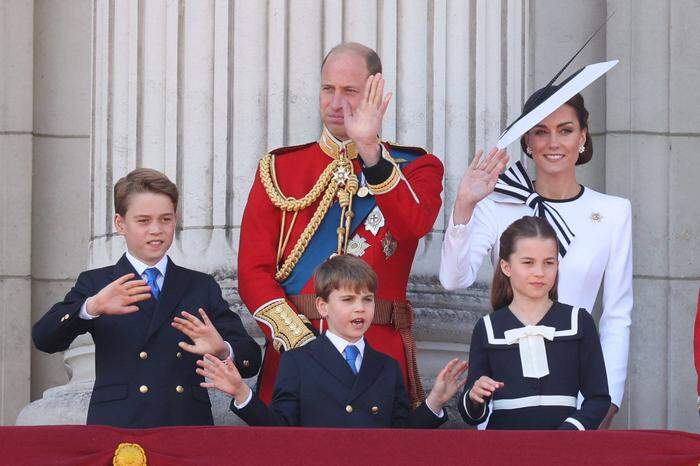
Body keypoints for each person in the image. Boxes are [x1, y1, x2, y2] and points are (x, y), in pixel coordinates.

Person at [238, 42, 444, 406]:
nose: (336, 103)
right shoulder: (278, 169)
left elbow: (413, 225)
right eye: (327, 89)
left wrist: (371, 153)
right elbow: (253, 271)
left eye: (350, 91)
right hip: (294, 356)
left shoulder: (416, 169)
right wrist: (302, 345)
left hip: (377, 356)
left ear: (375, 94)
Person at [440, 90, 632, 428]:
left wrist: (608, 402)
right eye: (541, 131)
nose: (553, 142)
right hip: (506, 390)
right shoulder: (496, 203)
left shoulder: (614, 212)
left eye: (566, 129)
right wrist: (464, 205)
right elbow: (454, 279)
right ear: (527, 140)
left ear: (583, 136)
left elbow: (616, 315)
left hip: (576, 395)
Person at [32, 168, 261, 428]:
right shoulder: (97, 283)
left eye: (165, 219)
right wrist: (91, 306)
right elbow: (44, 338)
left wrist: (222, 349)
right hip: (119, 423)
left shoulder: (200, 285)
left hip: (184, 423)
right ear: (121, 224)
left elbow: (251, 359)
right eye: (143, 221)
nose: (156, 230)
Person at [199, 255, 466, 428]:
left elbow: (402, 438)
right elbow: (280, 430)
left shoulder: (387, 366)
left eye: (367, 300)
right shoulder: (298, 361)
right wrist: (242, 393)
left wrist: (434, 402)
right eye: (348, 300)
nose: (360, 309)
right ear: (323, 306)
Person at [459, 216, 610, 429]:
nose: (539, 272)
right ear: (506, 267)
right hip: (505, 449)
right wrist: (475, 397)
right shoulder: (488, 327)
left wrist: (569, 432)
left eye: (549, 263)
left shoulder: (579, 321)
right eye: (528, 263)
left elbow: (599, 398)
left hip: (564, 450)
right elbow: (472, 415)